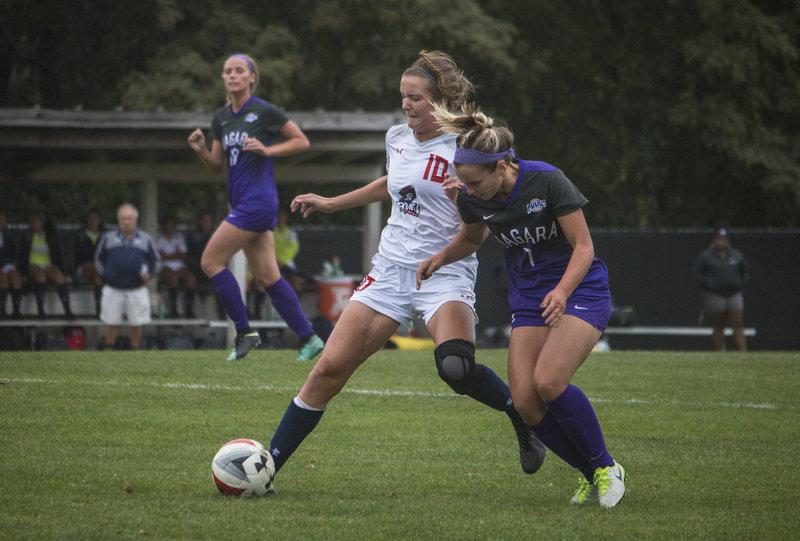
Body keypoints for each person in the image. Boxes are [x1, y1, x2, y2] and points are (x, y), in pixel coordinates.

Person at [268, 50, 546, 489]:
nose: (406, 106)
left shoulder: (466, 148)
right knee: (327, 370)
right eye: (403, 97)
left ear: (439, 102)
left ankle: (520, 415)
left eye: (414, 98)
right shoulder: (397, 136)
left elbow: (480, 231)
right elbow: (395, 182)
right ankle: (265, 469)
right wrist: (331, 201)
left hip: (446, 272)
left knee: (455, 367)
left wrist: (464, 201)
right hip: (391, 270)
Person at [416, 104, 625, 508]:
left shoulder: (547, 180)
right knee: (526, 402)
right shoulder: (473, 196)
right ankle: (588, 474)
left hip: (579, 288)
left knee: (548, 382)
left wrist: (562, 292)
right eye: (464, 183)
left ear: (501, 166)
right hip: (529, 297)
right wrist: (441, 257)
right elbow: (473, 239)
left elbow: (584, 248)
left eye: (475, 182)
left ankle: (606, 466)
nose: (469, 190)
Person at [187, 52, 324, 361]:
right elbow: (216, 165)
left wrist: (268, 149)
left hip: (258, 202)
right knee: (267, 277)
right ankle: (310, 338)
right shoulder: (221, 117)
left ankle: (244, 331)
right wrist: (199, 149)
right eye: (227, 71)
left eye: (239, 71)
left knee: (210, 261)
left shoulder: (263, 111)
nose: (232, 75)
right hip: (244, 203)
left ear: (251, 78)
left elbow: (302, 141)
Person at [95, 203, 159, 350]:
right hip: (113, 288)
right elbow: (98, 259)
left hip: (137, 289)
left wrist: (150, 274)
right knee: (111, 323)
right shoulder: (108, 238)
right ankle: (109, 354)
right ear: (118, 220)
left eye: (129, 218)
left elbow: (156, 261)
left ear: (135, 220)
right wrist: (105, 274)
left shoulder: (146, 239)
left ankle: (135, 354)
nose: (126, 221)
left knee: (136, 324)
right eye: (123, 218)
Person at [693, 226, 749, 351]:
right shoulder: (706, 256)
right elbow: (697, 274)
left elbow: (745, 272)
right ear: (714, 241)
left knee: (738, 322)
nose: (721, 242)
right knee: (718, 324)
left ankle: (743, 353)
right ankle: (720, 352)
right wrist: (709, 285)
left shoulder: (736, 255)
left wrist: (739, 284)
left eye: (724, 239)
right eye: (719, 239)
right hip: (715, 295)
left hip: (733, 294)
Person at [18, 212, 73, 318]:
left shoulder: (50, 236)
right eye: (32, 221)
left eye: (36, 220)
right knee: (40, 276)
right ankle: (41, 310)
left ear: (42, 223)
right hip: (33, 265)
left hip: (47, 265)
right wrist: (23, 273)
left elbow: (58, 255)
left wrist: (64, 271)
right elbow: (22, 256)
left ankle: (67, 310)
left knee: (60, 278)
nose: (33, 223)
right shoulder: (27, 236)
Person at [156, 216, 197, 318]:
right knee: (173, 279)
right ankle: (174, 311)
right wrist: (175, 255)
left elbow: (183, 255)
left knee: (191, 279)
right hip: (164, 268)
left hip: (179, 267)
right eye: (168, 225)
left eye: (172, 225)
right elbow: (160, 257)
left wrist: (167, 256)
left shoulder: (179, 237)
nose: (170, 227)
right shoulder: (158, 238)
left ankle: (189, 311)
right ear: (163, 226)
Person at [186, 211, 223, 318]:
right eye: (204, 220)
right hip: (196, 268)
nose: (206, 223)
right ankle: (188, 311)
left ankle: (222, 313)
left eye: (208, 221)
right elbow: (190, 254)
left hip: (212, 268)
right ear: (199, 221)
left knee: (221, 282)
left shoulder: (217, 234)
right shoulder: (193, 235)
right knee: (190, 281)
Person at [74, 209, 105, 317]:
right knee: (93, 266)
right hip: (82, 268)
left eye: (95, 219)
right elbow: (75, 256)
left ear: (100, 221)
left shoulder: (104, 236)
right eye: (90, 219)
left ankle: (99, 310)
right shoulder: (80, 235)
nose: (93, 222)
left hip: (98, 271)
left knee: (98, 279)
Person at [0, 210, 23, 318]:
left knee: (16, 279)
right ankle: (2, 310)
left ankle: (16, 310)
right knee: (3, 280)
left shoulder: (9, 234)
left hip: (7, 264)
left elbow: (15, 251)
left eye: (3, 219)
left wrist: (14, 262)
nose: (2, 222)